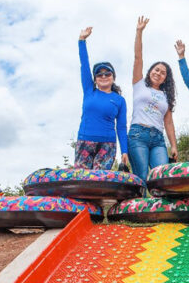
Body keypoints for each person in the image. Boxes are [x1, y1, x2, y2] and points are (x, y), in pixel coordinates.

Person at [128, 16, 178, 182]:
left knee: (161, 176)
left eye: (163, 73)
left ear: (166, 78)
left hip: (157, 138)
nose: (158, 73)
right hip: (138, 134)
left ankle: (159, 207)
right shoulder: (139, 84)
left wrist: (174, 145)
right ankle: (138, 207)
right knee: (141, 176)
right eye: (156, 70)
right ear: (150, 71)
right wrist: (139, 32)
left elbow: (169, 123)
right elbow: (138, 58)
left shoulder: (165, 96)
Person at [75, 27, 128, 170]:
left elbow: (122, 127)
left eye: (107, 73)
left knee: (99, 184)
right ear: (95, 79)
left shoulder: (119, 100)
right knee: (82, 180)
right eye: (99, 74)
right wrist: (82, 40)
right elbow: (84, 65)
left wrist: (125, 151)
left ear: (113, 77)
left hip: (107, 145)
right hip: (85, 141)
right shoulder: (89, 90)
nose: (103, 76)